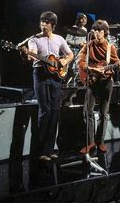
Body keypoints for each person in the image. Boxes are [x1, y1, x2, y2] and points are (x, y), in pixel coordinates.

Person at [26, 11, 74, 161]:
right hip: (40, 74)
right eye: (41, 22)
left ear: (52, 25)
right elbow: (32, 53)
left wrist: (65, 62)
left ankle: (49, 149)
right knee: (44, 110)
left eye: (46, 22)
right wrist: (29, 54)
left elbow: (70, 54)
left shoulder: (59, 39)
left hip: (55, 77)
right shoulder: (34, 39)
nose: (43, 24)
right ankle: (40, 151)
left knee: (54, 111)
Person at [78, 19, 120, 154]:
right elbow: (80, 61)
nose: (97, 33)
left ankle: (100, 141)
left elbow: (117, 63)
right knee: (87, 111)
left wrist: (118, 67)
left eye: (100, 31)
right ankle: (90, 142)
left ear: (105, 32)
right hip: (91, 81)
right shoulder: (88, 45)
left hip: (106, 82)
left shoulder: (110, 47)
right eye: (95, 31)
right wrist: (91, 69)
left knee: (104, 113)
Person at [65, 13, 88, 83]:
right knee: (69, 67)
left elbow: (84, 40)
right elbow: (67, 40)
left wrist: (85, 44)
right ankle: (68, 80)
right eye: (82, 18)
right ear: (79, 20)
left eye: (85, 19)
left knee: (78, 66)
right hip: (72, 50)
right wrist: (78, 43)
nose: (84, 20)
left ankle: (78, 80)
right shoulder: (73, 28)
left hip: (80, 50)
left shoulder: (85, 29)